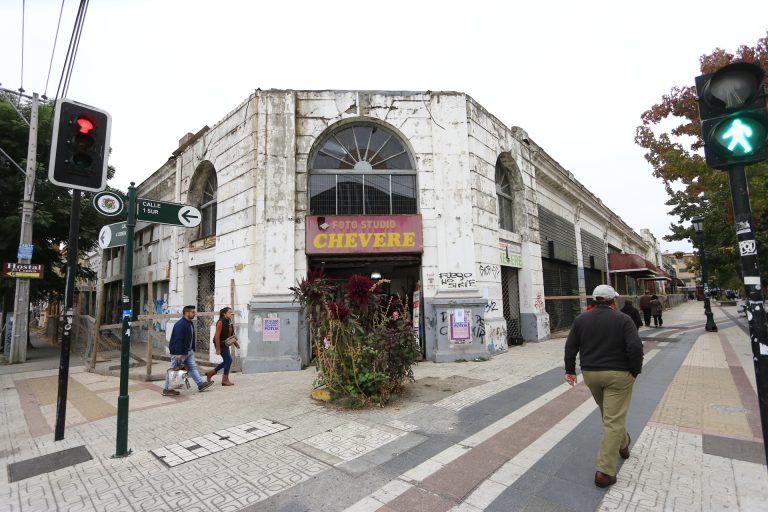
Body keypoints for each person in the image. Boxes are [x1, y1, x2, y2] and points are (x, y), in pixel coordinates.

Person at [564, 285, 644, 488]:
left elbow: (571, 346)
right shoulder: (623, 319)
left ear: (595, 300)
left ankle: (623, 443)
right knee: (613, 419)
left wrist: (570, 371)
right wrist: (634, 371)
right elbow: (635, 347)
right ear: (612, 301)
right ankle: (605, 472)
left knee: (610, 415)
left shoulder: (582, 319)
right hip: (618, 375)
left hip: (591, 374)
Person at [163, 305, 214, 396]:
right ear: (186, 313)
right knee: (174, 370)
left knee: (192, 368)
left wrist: (192, 349)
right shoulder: (180, 324)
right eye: (193, 312)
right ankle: (166, 389)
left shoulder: (189, 323)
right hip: (180, 352)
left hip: (188, 351)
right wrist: (178, 353)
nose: (195, 313)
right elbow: (178, 339)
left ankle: (200, 384)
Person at [206, 307, 240, 386]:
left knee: (227, 361)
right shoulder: (220, 322)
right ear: (224, 314)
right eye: (229, 312)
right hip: (220, 344)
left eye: (232, 312)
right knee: (229, 360)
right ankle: (225, 380)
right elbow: (217, 336)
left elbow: (232, 335)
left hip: (226, 344)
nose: (231, 313)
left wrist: (236, 344)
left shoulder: (229, 322)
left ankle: (211, 373)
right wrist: (218, 348)